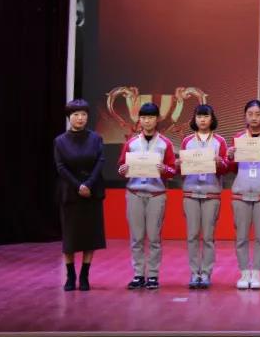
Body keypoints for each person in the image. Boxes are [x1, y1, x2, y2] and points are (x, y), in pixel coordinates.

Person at [116, 101, 177, 290]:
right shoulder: (131, 143)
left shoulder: (165, 143)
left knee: (154, 237)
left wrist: (164, 169)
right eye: (143, 117)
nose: (147, 121)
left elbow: (173, 170)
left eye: (150, 117)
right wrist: (123, 170)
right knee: (136, 237)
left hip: (156, 195)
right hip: (134, 193)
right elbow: (121, 167)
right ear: (139, 120)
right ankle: (138, 275)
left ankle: (152, 275)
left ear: (157, 119)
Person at [226, 99, 260, 290]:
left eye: (258, 114)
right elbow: (232, 168)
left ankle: (256, 272)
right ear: (245, 116)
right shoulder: (238, 138)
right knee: (241, 236)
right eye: (250, 114)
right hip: (241, 192)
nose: (254, 118)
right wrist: (230, 157)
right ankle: (243, 273)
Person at [53, 98, 106, 291]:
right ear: (69, 117)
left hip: (92, 192)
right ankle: (70, 275)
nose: (80, 118)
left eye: (84, 114)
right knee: (70, 237)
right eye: (76, 114)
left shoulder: (96, 138)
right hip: (70, 193)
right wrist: (78, 186)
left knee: (90, 236)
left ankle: (84, 275)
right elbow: (61, 167)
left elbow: (100, 161)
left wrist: (88, 184)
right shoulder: (60, 141)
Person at [177, 104, 228, 289]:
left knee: (208, 236)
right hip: (191, 192)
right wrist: (178, 164)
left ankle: (206, 272)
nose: (202, 120)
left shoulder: (220, 141)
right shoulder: (187, 141)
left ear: (211, 119)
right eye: (199, 116)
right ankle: (194, 272)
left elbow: (226, 168)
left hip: (211, 192)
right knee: (192, 235)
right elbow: (181, 170)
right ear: (194, 119)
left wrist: (220, 162)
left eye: (206, 116)